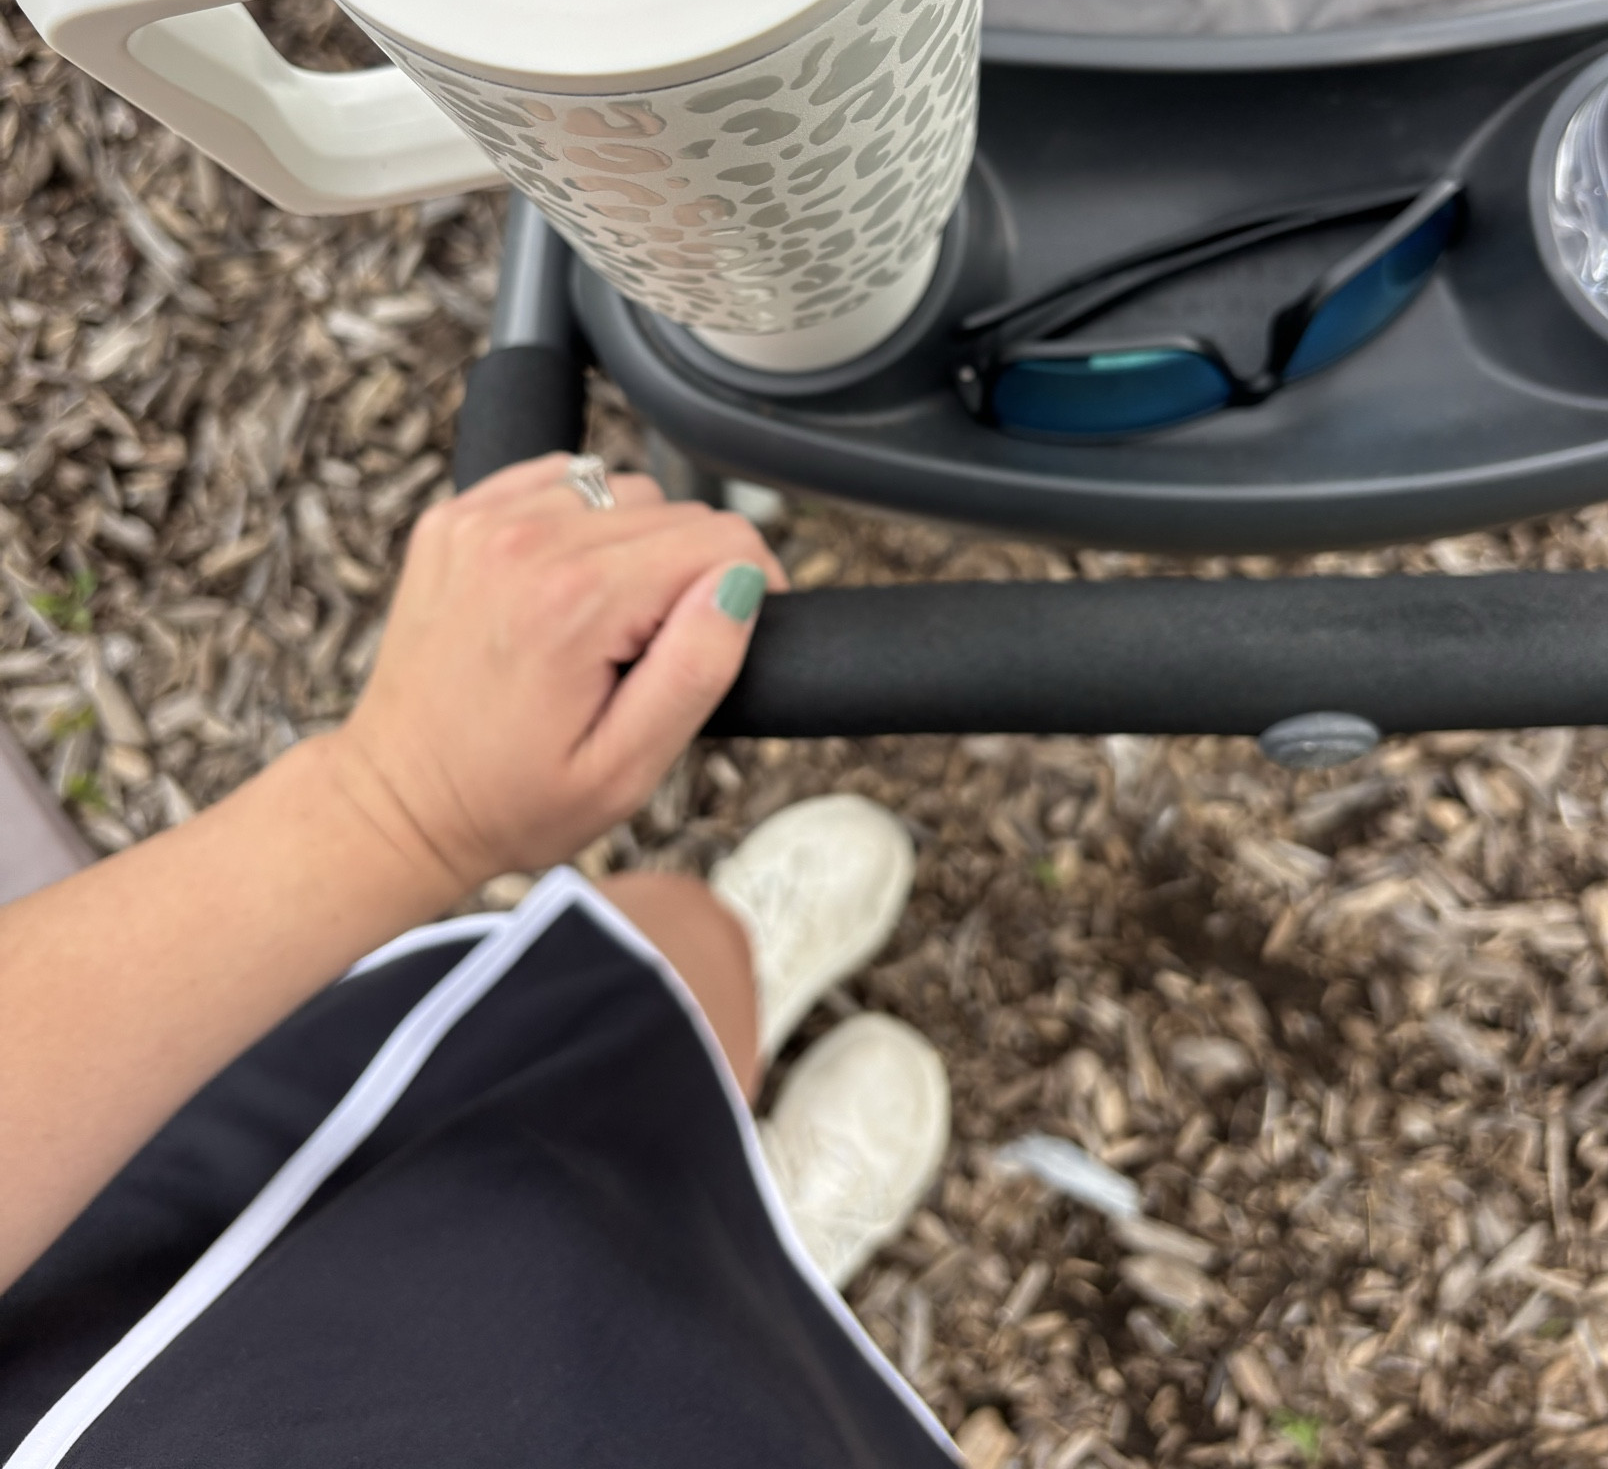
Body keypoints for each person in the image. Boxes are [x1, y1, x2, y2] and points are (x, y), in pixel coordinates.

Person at [0, 454, 960, 1467]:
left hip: (194, 1326)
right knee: (716, 1343)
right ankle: (764, 1264)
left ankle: (710, 1177)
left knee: (668, 960)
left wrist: (390, 803)